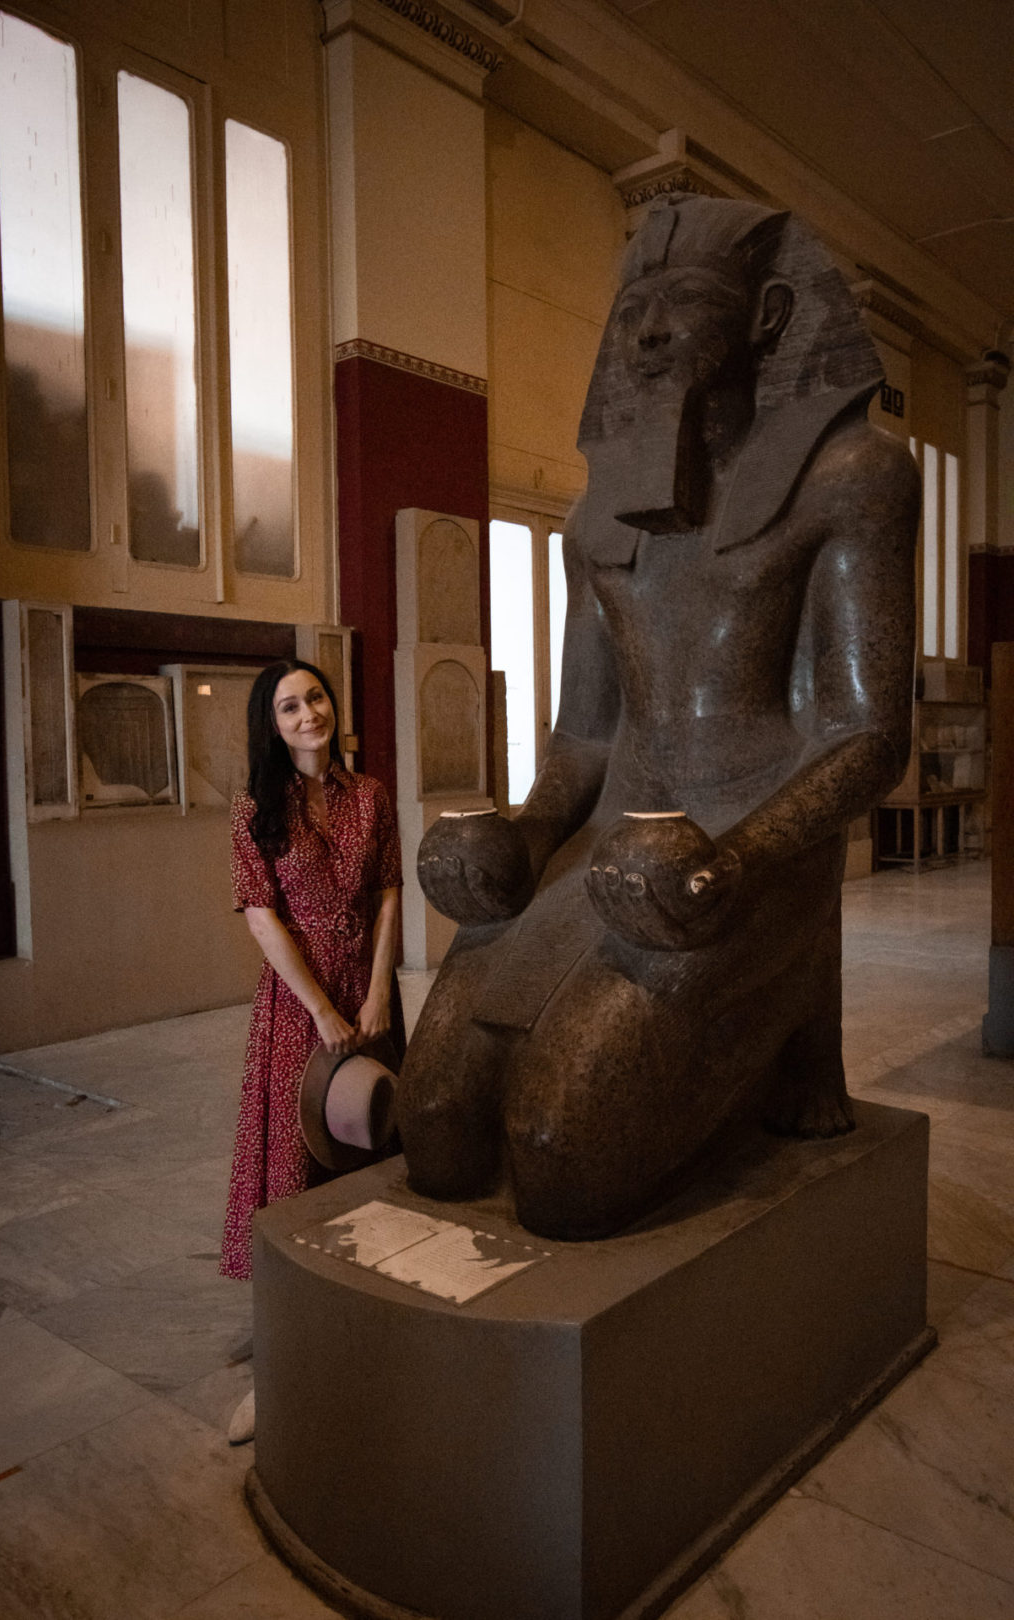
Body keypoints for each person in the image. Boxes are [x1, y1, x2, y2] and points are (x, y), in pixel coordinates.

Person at [399, 192, 919, 1242]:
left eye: (682, 300)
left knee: (559, 1156)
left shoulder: (852, 479)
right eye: (634, 305)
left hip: (747, 849)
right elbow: (585, 738)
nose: (646, 330)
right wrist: (524, 831)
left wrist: (732, 859)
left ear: (769, 316)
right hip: (608, 848)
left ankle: (775, 1034)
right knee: (437, 1127)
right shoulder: (597, 522)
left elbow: (866, 735)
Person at [221, 658, 403, 1437]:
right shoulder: (254, 807)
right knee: (295, 1168)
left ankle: (366, 1316)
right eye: (289, 707)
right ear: (272, 722)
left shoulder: (369, 794)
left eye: (316, 698)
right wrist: (324, 1007)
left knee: (375, 1150)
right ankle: (284, 1356)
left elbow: (390, 889)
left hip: (369, 994)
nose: (307, 715)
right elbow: (262, 917)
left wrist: (379, 991)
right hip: (300, 1007)